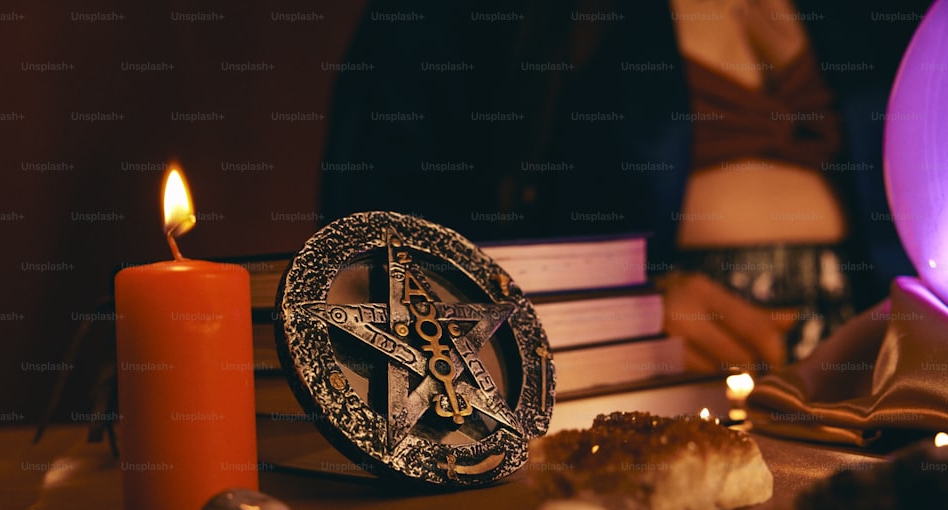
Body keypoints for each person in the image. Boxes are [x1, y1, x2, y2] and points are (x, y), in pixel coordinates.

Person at [320, 0, 929, 373]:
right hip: (618, 417)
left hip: (867, 410)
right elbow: (372, 260)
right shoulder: (480, 18)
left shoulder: (877, 15)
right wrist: (613, 322)